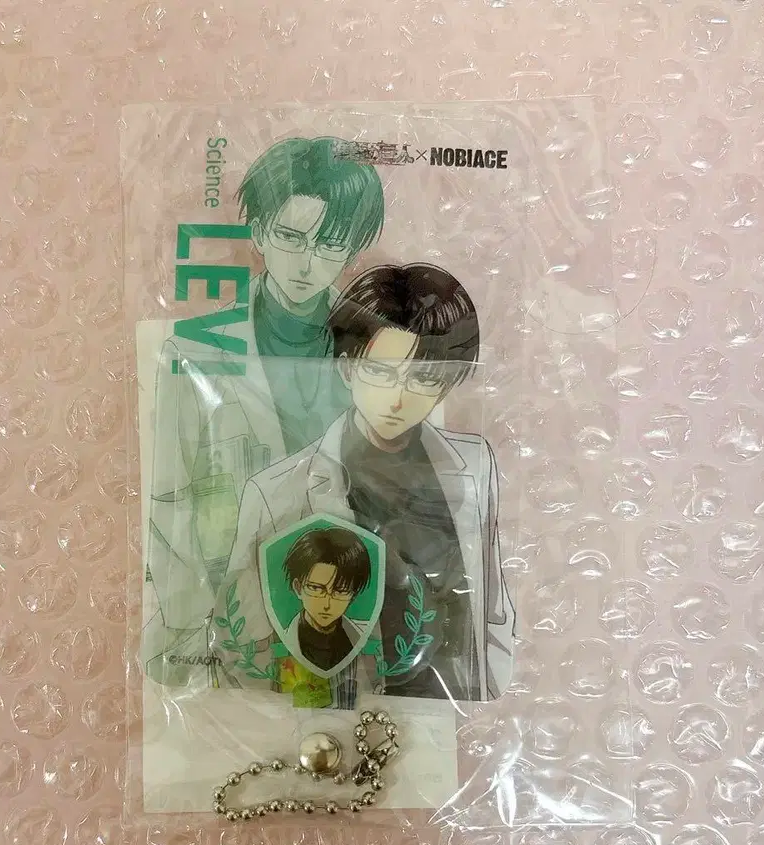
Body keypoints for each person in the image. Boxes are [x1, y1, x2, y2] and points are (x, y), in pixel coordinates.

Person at [142, 137, 385, 685]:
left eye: (330, 244)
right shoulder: (194, 352)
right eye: (290, 236)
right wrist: (192, 634)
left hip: (352, 613)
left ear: (352, 250)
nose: (307, 263)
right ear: (257, 233)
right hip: (227, 623)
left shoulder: (384, 353)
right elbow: (169, 502)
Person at [217, 263, 515, 703]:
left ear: (447, 383)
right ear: (347, 368)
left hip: (451, 699)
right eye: (379, 371)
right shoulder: (276, 489)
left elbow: (491, 601)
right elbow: (241, 627)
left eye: (424, 378)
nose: (398, 398)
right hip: (337, 704)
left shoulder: (474, 462)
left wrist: (491, 690)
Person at [278, 526, 373, 675]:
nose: (327, 604)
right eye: (316, 588)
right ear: (298, 588)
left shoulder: (366, 637)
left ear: (353, 596)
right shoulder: (277, 641)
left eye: (340, 591)